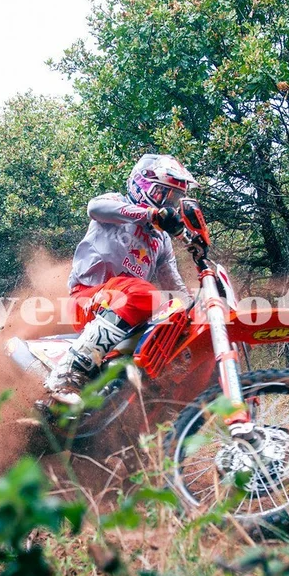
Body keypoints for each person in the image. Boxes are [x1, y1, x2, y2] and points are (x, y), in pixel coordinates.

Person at [44, 154, 197, 403]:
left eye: (173, 198)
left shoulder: (161, 240)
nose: (167, 203)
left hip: (125, 312)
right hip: (87, 298)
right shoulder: (117, 203)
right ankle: (69, 372)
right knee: (145, 294)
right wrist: (150, 214)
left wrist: (195, 307)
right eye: (162, 193)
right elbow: (95, 208)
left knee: (176, 320)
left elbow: (174, 284)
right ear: (141, 185)